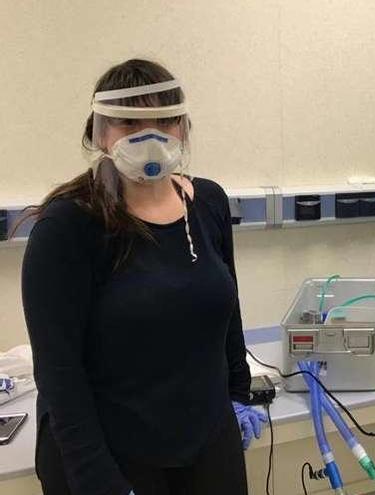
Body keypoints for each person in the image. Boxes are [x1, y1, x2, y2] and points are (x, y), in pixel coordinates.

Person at [20, 59, 267, 495]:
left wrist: (239, 394)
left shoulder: (207, 202)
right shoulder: (68, 227)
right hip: (110, 455)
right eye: (129, 122)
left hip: (206, 441)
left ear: (184, 127)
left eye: (164, 120)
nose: (149, 136)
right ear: (99, 132)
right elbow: (59, 375)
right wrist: (98, 482)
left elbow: (226, 310)